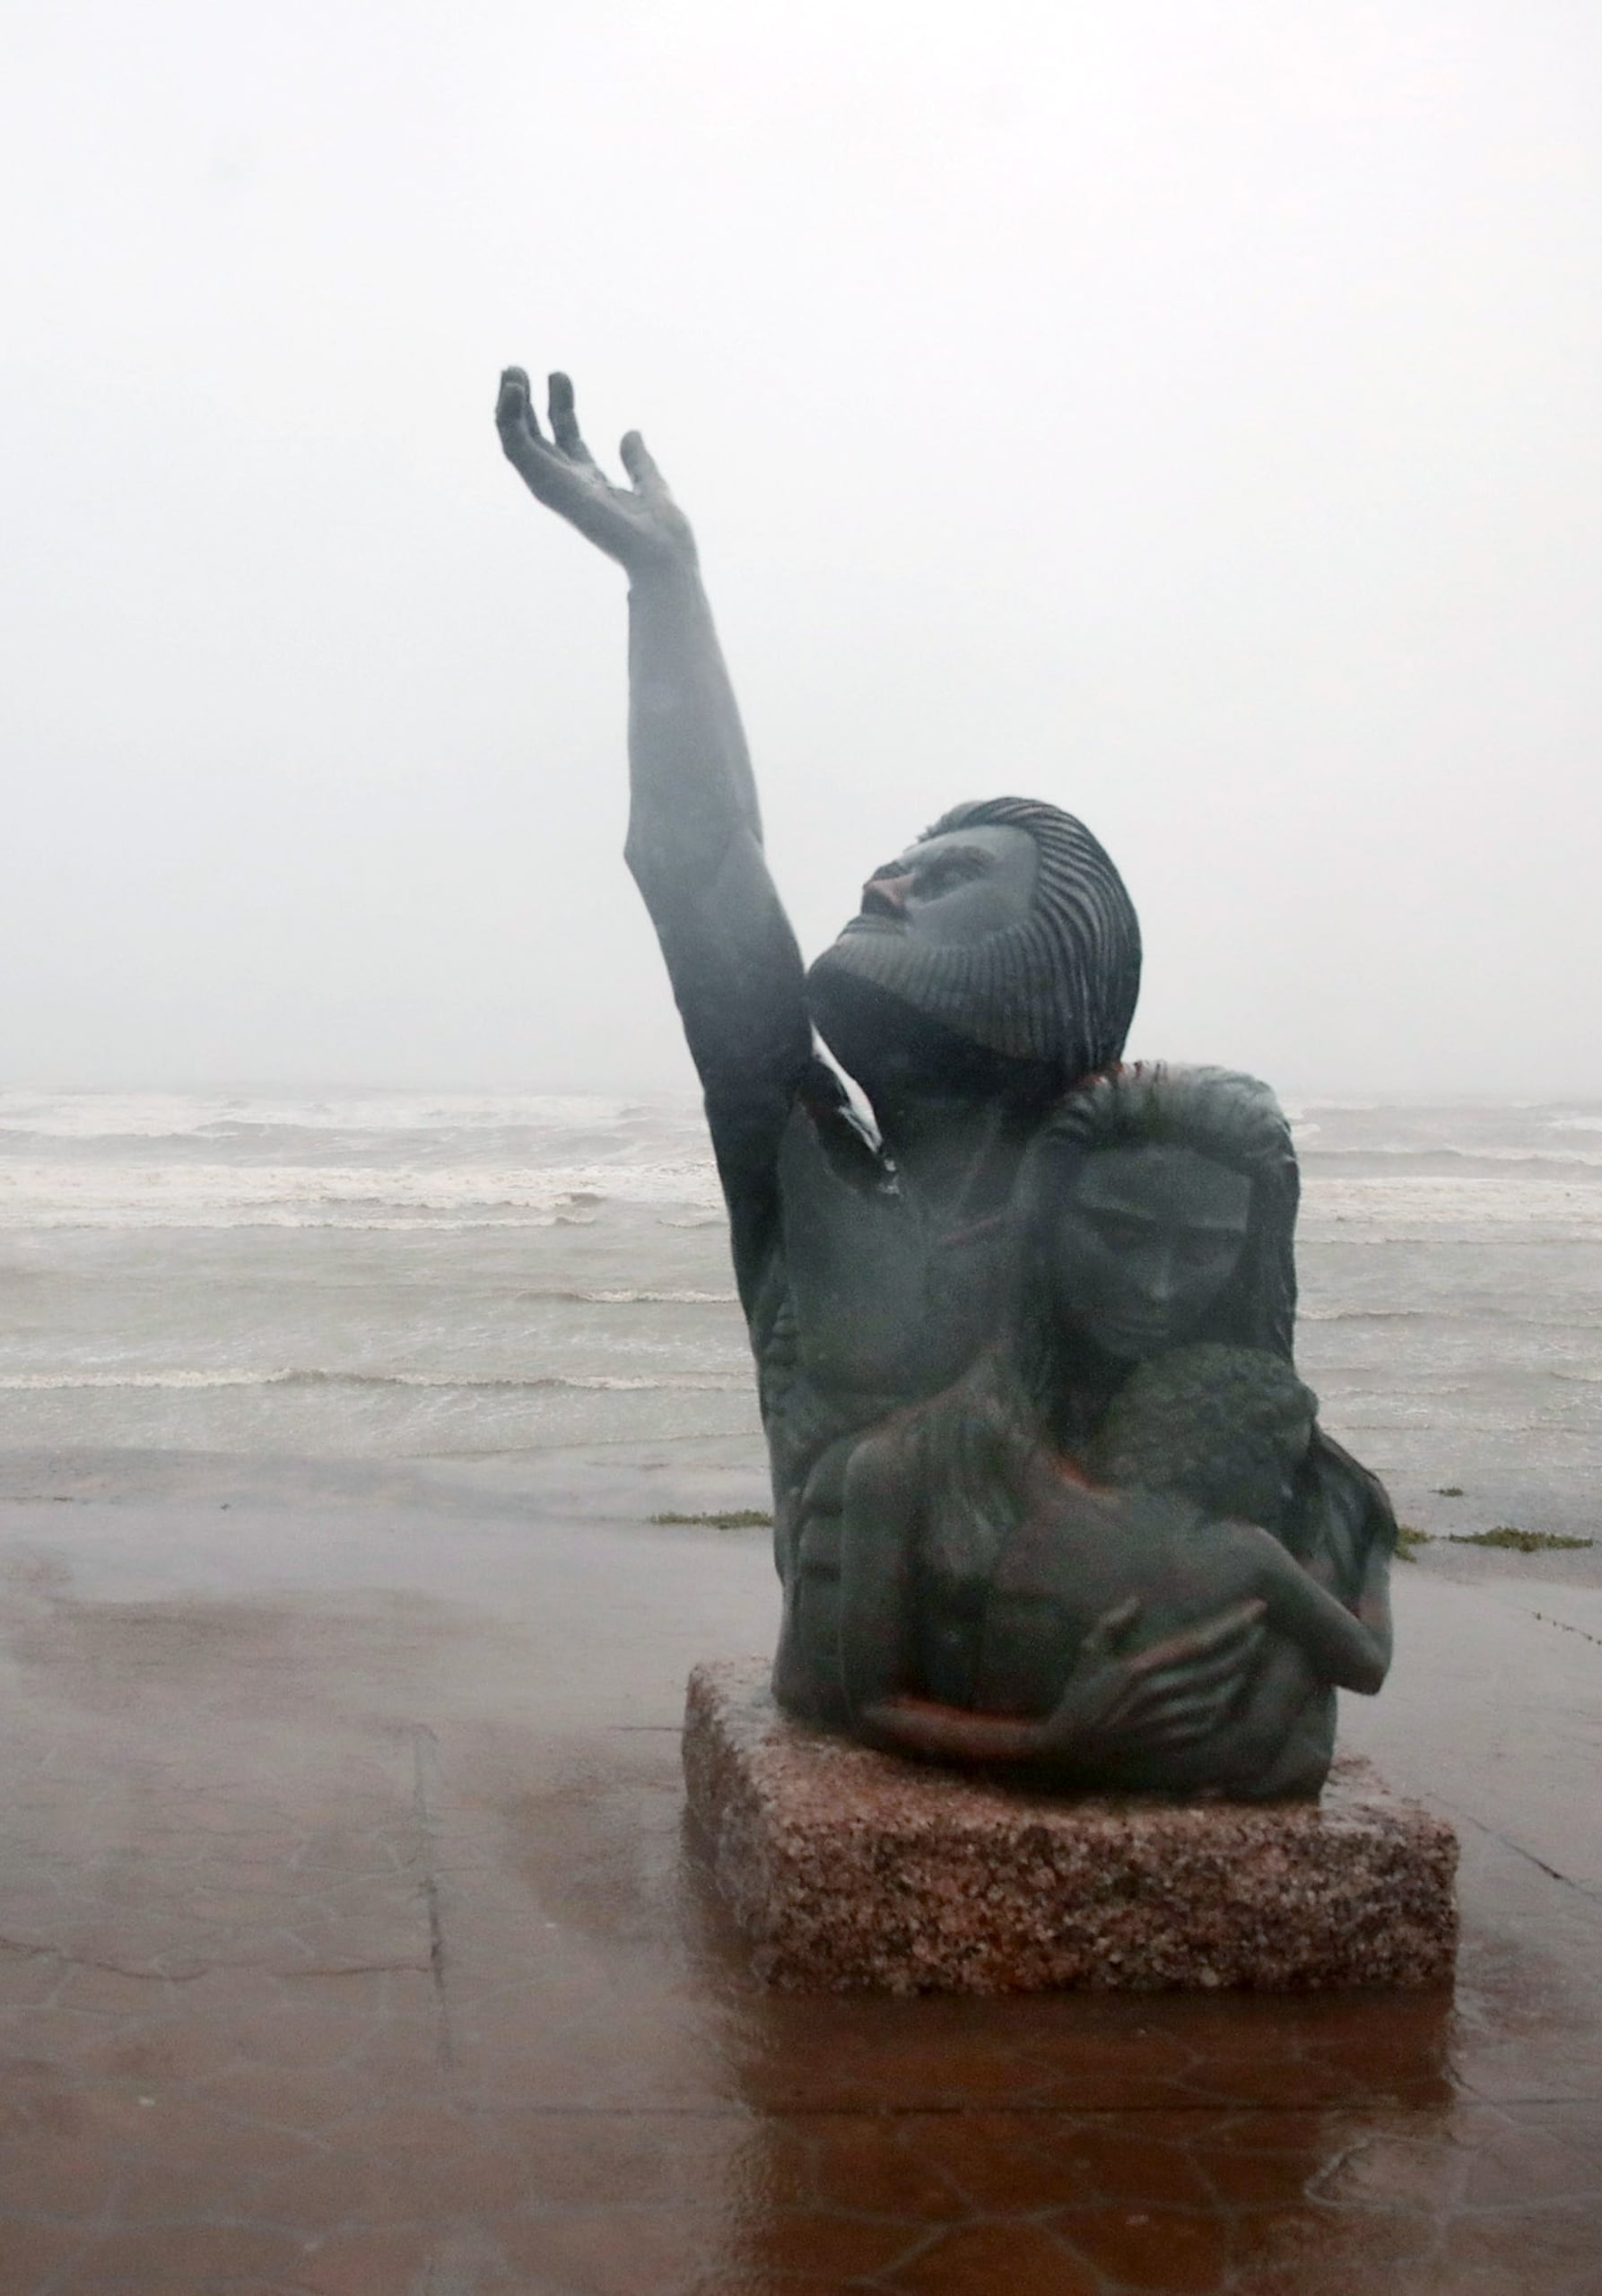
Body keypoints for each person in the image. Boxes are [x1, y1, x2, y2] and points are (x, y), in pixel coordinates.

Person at [496, 370, 1264, 1760]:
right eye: (898, 861)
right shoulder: (804, 1163)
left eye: (950, 876)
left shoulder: (1124, 1206)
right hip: (867, 1684)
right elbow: (700, 863)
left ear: (1057, 964)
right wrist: (665, 584)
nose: (888, 883)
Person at [842, 1065, 1401, 1797]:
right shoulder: (906, 1467)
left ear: (1250, 1255)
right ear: (1041, 1227)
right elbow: (869, 1700)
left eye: (1205, 1248)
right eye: (1120, 1234)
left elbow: (1347, 1674)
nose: (1159, 1286)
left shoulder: (1323, 1492)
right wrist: (1048, 1744)